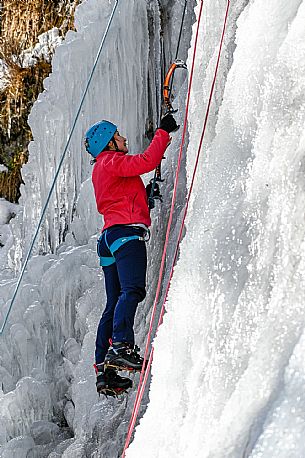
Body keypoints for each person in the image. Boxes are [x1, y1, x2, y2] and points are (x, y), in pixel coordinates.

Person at [84, 113, 178, 395]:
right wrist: (162, 132)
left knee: (113, 302)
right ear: (109, 144)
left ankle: (104, 370)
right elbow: (146, 162)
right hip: (125, 236)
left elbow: (123, 196)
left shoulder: (101, 169)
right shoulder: (111, 161)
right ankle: (122, 346)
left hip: (110, 238)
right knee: (133, 290)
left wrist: (145, 198)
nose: (124, 138)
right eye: (119, 135)